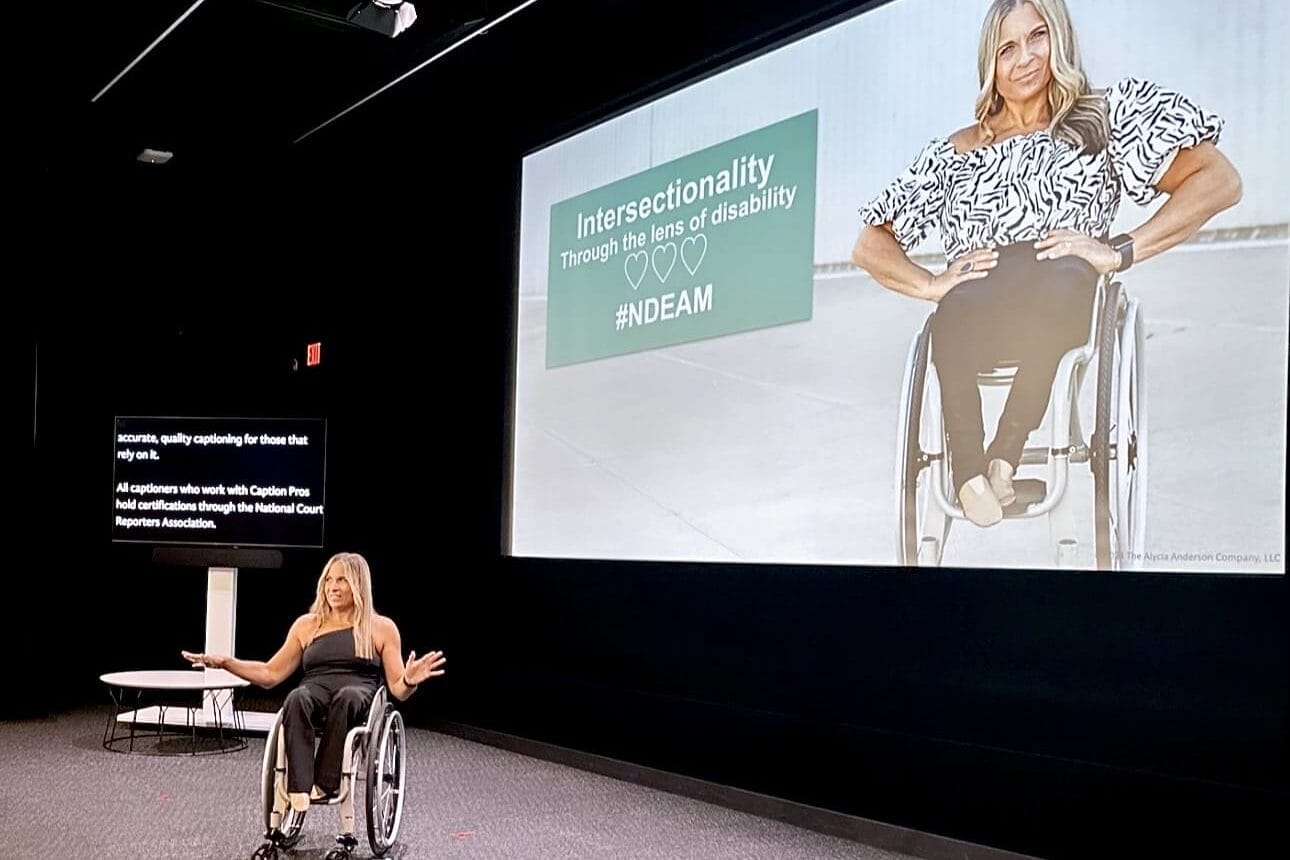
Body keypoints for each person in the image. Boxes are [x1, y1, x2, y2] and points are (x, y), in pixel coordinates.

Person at [851, 0, 1241, 526]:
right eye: (1007, 49)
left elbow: (1219, 180)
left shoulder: (1101, 116)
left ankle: (1004, 458)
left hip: (1062, 283)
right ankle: (970, 473)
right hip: (980, 293)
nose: (1026, 58)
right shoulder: (958, 150)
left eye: (1038, 37)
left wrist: (1120, 249)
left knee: (1062, 290)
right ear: (989, 64)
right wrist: (928, 284)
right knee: (954, 311)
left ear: (1060, 36)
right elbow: (869, 243)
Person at [183, 552, 445, 813]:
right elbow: (269, 674)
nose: (333, 587)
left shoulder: (381, 628)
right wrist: (227, 662)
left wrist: (410, 679)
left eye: (342, 580)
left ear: (358, 585)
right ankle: (299, 786)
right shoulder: (307, 625)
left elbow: (398, 690)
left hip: (358, 693)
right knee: (296, 698)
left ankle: (326, 782)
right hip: (315, 688)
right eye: (329, 579)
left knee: (347, 697)